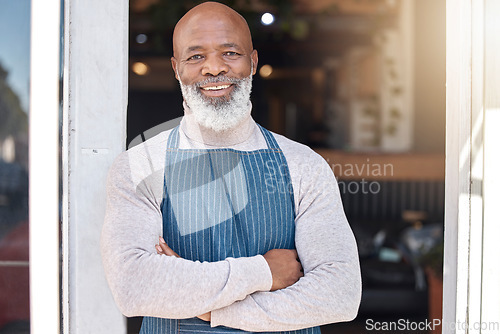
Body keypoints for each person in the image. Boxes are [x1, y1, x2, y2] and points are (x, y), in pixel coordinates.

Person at [101, 2, 361, 333]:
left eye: (230, 53)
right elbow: (133, 286)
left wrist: (213, 312)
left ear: (252, 62)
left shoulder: (304, 164)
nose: (213, 68)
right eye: (195, 57)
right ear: (176, 68)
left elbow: (339, 294)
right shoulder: (139, 165)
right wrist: (264, 272)